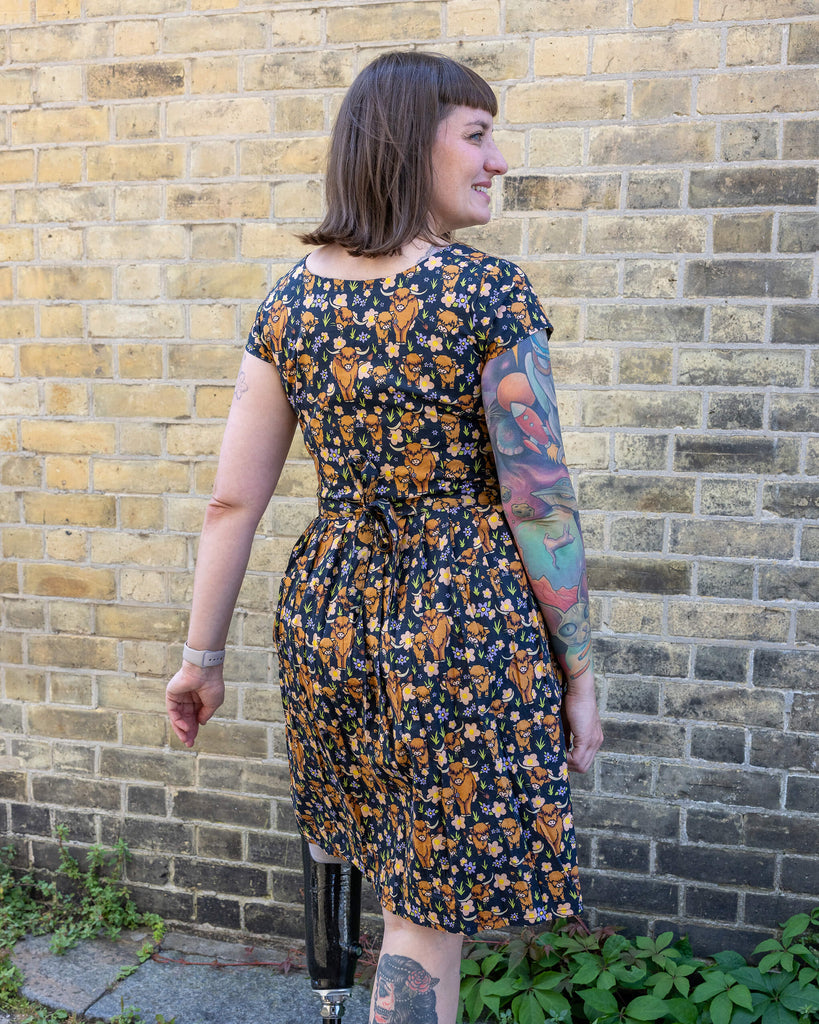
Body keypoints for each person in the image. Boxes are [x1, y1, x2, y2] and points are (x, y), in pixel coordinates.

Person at [166, 50, 603, 1024]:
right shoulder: (488, 297)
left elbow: (230, 503)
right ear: (413, 144)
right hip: (461, 622)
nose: (499, 158)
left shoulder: (291, 302)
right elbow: (541, 505)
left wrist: (201, 656)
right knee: (423, 912)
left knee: (371, 859)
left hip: (329, 617)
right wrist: (577, 668)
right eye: (477, 133)